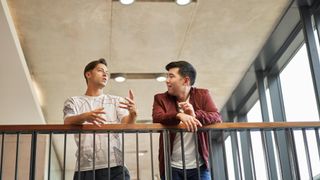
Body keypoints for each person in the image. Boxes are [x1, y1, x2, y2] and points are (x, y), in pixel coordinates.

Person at [63, 58, 137, 180]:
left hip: (116, 166)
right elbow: (67, 121)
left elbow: (127, 125)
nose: (105, 75)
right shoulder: (73, 101)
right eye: (100, 70)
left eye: (107, 73)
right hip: (85, 168)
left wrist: (133, 113)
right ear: (88, 74)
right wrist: (86, 116)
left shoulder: (116, 100)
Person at [152, 61, 222, 180]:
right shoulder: (160, 98)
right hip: (171, 167)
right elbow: (157, 118)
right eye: (167, 76)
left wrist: (195, 115)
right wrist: (178, 115)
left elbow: (216, 116)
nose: (167, 80)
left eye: (171, 76)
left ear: (185, 80)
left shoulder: (203, 94)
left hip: (200, 167)